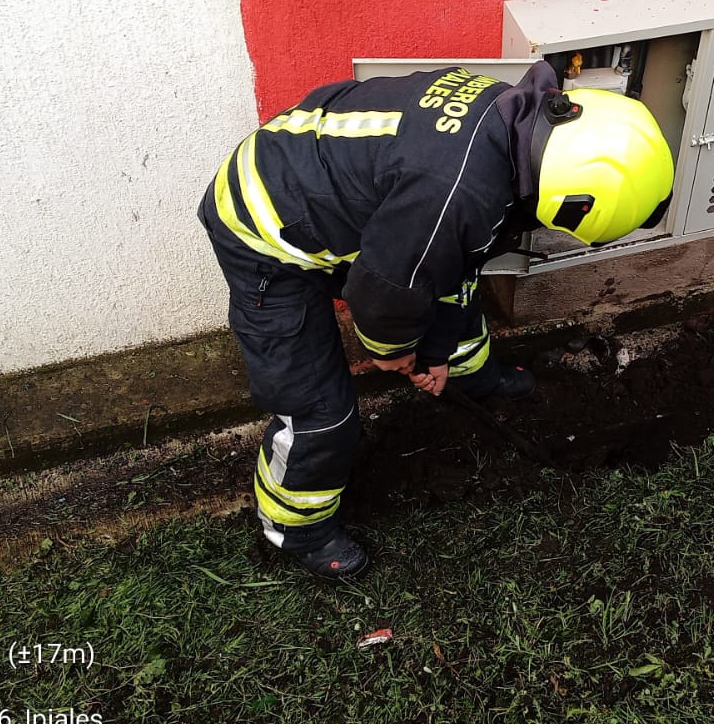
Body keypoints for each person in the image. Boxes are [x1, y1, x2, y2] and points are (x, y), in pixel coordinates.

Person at [197, 60, 674, 579]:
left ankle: (474, 375)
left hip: (327, 188)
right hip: (263, 230)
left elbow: (446, 262)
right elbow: (380, 295)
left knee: (448, 279)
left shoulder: (513, 119)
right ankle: (296, 527)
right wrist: (395, 351)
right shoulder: (456, 194)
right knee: (319, 409)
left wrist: (436, 352)